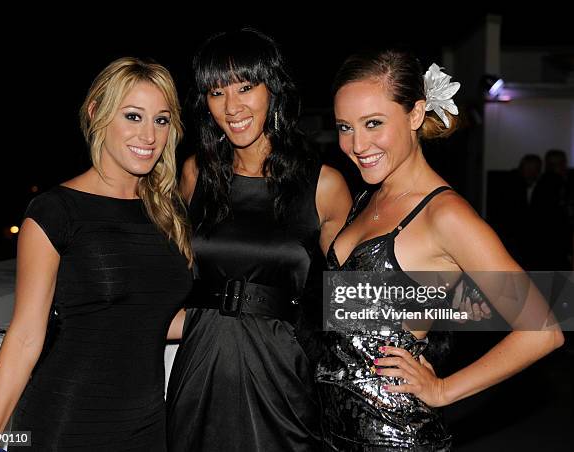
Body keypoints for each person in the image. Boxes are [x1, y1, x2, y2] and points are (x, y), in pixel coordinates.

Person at [315, 50, 564, 451]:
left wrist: (443, 389)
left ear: (415, 115)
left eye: (373, 123)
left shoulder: (446, 215)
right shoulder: (367, 198)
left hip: (394, 438)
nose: (357, 144)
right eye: (345, 127)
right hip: (332, 432)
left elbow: (543, 331)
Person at [0, 57, 193, 452]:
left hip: (148, 426)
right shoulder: (56, 212)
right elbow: (25, 336)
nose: (149, 135)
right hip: (66, 422)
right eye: (133, 116)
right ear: (96, 114)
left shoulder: (166, 213)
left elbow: (150, 314)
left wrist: (239, 320)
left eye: (161, 120)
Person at [165, 29, 351, 452]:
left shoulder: (322, 185)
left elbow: (352, 293)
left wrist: (439, 302)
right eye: (216, 92)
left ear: (274, 89)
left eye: (246, 87)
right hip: (201, 369)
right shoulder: (196, 173)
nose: (232, 107)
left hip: (283, 375)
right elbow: (174, 275)